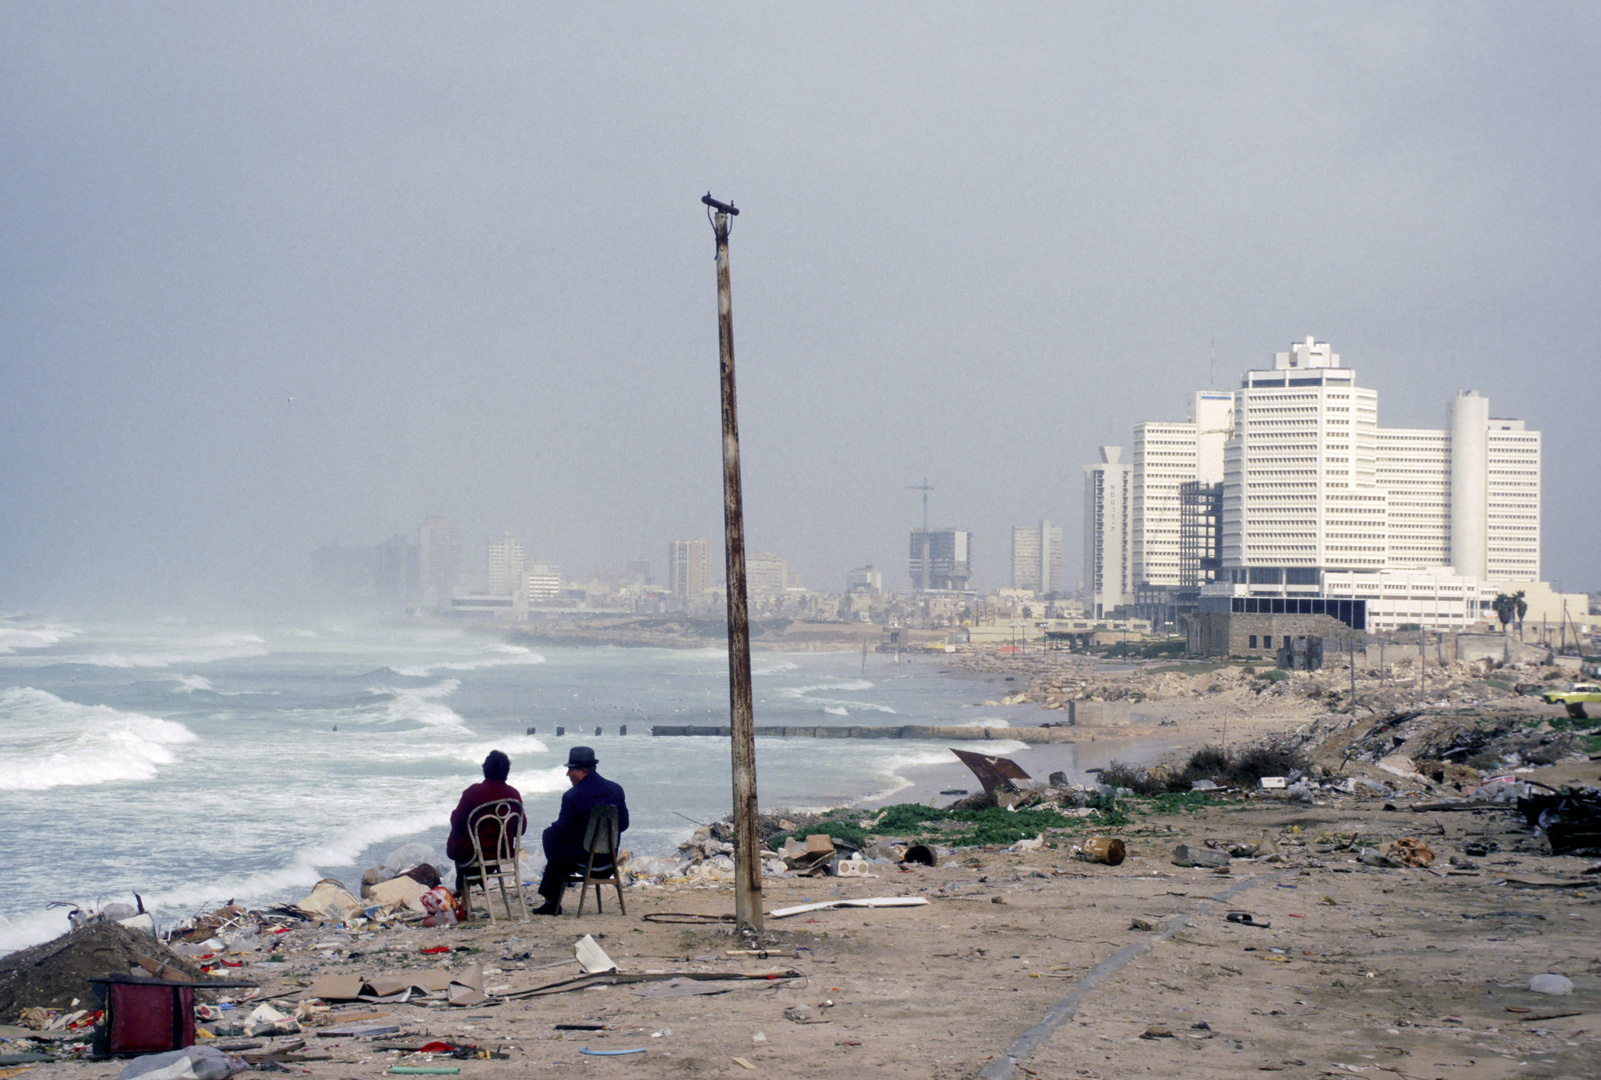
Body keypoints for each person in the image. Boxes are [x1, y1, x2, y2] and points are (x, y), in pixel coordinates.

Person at [533, 745, 628, 915]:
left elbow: (561, 830)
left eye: (571, 770)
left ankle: (552, 899)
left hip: (584, 859)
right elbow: (624, 824)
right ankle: (553, 893)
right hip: (609, 860)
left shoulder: (573, 796)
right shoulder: (616, 790)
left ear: (583, 771)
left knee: (550, 835)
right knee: (559, 842)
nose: (568, 774)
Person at [445, 750, 525, 901]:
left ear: (485, 769)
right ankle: (480, 880)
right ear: (506, 772)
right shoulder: (514, 795)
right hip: (503, 853)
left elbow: (457, 823)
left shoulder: (473, 792)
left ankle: (465, 898)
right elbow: (521, 829)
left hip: (475, 855)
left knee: (459, 836)